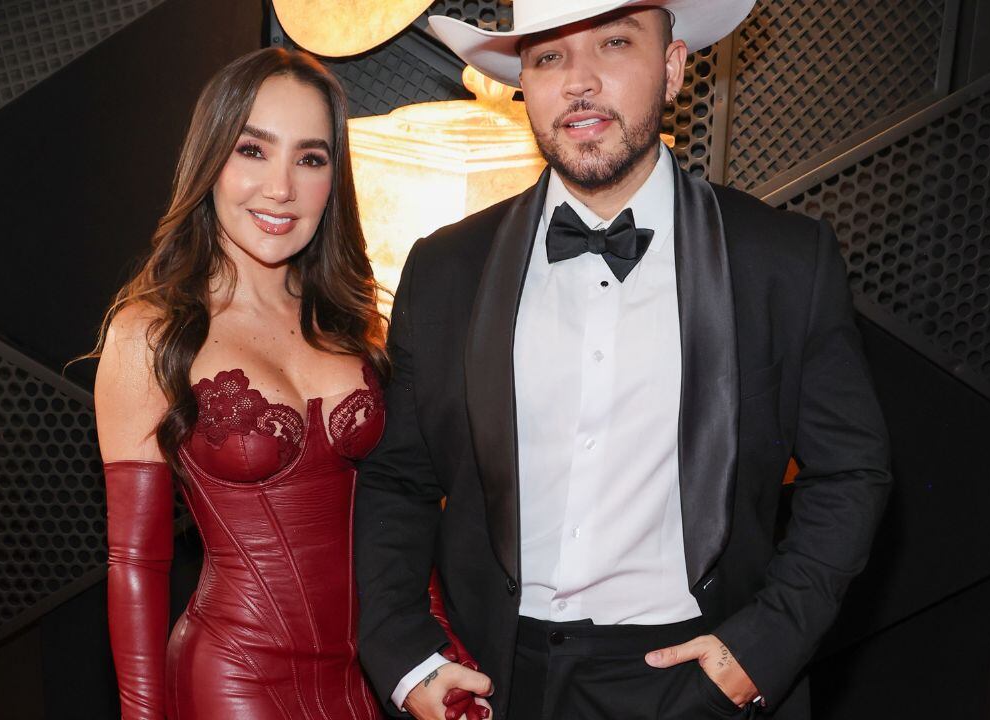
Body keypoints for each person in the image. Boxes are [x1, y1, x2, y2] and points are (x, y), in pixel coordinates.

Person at [354, 1, 893, 719]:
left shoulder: (783, 261)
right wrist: (408, 659)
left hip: (699, 682)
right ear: (524, 81)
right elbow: (396, 481)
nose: (579, 81)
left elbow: (851, 472)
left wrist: (758, 650)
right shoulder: (446, 266)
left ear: (671, 69)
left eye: (613, 44)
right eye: (548, 56)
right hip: (496, 684)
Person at [91, 47, 393, 719]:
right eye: (253, 151)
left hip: (372, 675)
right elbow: (135, 566)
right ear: (211, 162)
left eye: (310, 159)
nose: (281, 187)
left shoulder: (355, 323)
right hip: (236, 682)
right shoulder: (152, 333)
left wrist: (438, 653)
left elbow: (400, 517)